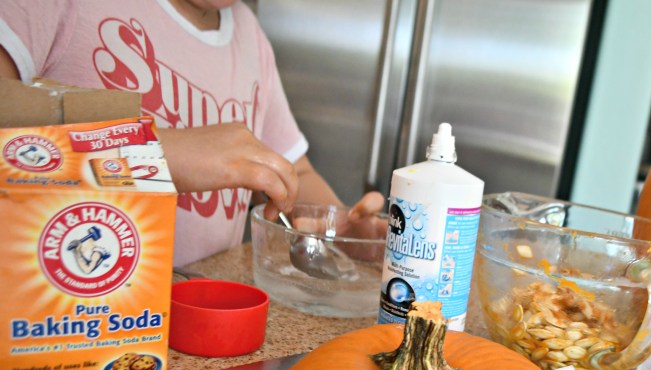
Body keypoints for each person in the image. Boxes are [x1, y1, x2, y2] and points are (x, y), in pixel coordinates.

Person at [0, 0, 386, 265]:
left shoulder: (249, 36)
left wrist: (345, 229)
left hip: (196, 318)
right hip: (68, 316)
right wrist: (157, 154)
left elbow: (293, 172)